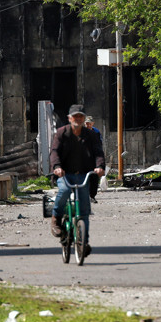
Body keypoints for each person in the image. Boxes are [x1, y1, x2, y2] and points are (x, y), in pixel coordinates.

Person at [49, 104, 105, 254]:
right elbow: (54, 151)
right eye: (75, 116)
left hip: (83, 174)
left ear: (84, 119)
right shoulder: (62, 133)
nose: (78, 119)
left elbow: (98, 152)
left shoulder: (91, 135)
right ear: (69, 118)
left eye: (81, 116)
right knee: (65, 190)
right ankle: (56, 218)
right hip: (65, 173)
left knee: (84, 209)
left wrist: (99, 167)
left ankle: (84, 242)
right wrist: (57, 166)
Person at [84, 115, 103, 202]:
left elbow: (99, 145)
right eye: (87, 123)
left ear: (93, 124)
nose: (88, 125)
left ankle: (92, 196)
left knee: (94, 177)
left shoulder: (96, 132)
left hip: (94, 157)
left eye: (90, 124)